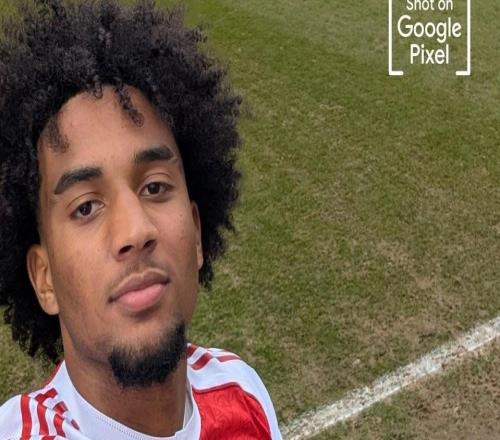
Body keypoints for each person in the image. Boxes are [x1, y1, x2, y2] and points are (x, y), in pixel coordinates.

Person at [0, 0, 282, 438]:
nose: (135, 231)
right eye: (86, 207)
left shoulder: (242, 391)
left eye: (154, 187)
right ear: (44, 278)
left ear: (196, 234)